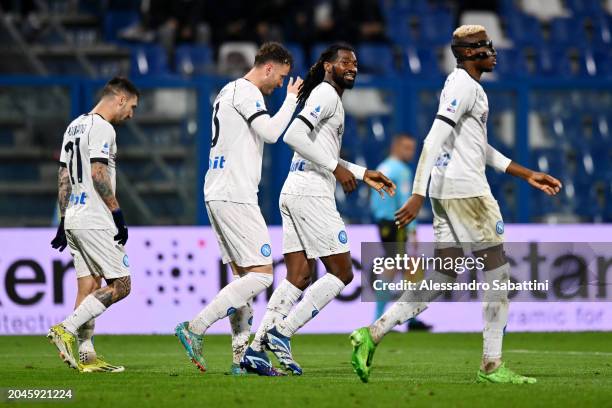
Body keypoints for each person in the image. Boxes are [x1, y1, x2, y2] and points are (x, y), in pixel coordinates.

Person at [350, 25, 562, 384]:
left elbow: (478, 148)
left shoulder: (462, 86)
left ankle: (373, 333)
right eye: (484, 47)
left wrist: (525, 174)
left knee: (443, 273)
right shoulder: (465, 86)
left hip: (446, 193)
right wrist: (416, 193)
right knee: (497, 276)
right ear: (467, 53)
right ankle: (492, 365)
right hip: (467, 193)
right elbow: (432, 139)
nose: (492, 52)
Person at [240, 43, 395, 376]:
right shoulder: (327, 95)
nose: (352, 67)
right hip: (311, 193)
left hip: (294, 190)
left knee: (298, 277)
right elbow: (294, 135)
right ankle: (282, 332)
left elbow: (317, 148)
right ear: (328, 65)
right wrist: (336, 169)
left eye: (355, 62)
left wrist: (360, 172)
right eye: (344, 62)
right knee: (342, 272)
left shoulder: (326, 96)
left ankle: (255, 350)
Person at [173, 42, 303, 376]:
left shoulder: (227, 91)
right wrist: (292, 100)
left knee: (243, 279)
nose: (280, 84)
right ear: (269, 68)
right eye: (282, 77)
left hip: (218, 189)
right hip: (234, 192)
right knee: (261, 275)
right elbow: (272, 134)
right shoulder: (246, 92)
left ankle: (240, 359)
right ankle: (196, 327)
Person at [48, 77, 139, 373]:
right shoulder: (103, 127)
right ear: (121, 99)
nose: (132, 115)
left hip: (74, 216)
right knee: (122, 285)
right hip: (95, 218)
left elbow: (63, 177)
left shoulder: (73, 126)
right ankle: (66, 329)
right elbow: (99, 172)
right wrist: (117, 213)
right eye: (132, 107)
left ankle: (87, 358)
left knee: (89, 285)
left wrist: (63, 220)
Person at [370, 134, 431, 331]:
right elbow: (406, 201)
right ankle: (391, 319)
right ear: (395, 147)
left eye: (412, 148)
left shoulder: (383, 166)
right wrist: (412, 230)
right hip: (397, 223)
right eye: (406, 148)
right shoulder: (401, 170)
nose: (410, 153)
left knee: (400, 266)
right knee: (407, 267)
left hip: (383, 222)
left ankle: (399, 318)